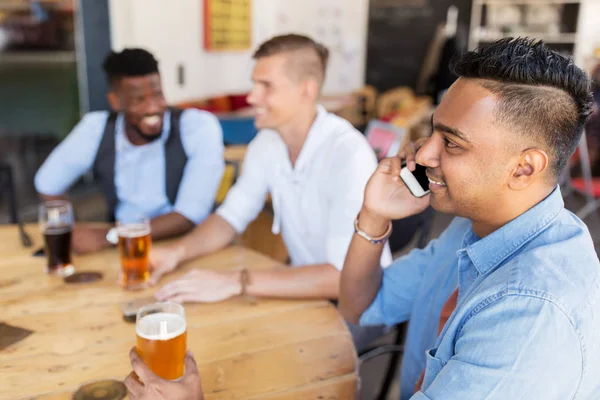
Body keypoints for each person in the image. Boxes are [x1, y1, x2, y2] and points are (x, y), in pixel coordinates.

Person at [339, 37, 600, 399]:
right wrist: (374, 216)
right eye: (433, 131)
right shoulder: (472, 227)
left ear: (524, 168)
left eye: (452, 143)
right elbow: (361, 305)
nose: (424, 153)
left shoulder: (531, 312)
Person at [149, 34, 392, 349]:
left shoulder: (348, 153)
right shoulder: (267, 143)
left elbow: (342, 278)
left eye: (266, 86)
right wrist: (176, 253)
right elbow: (230, 217)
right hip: (307, 288)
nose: (252, 97)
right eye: (254, 84)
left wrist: (235, 281)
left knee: (256, 350)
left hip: (360, 305)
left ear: (307, 90)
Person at [34, 48, 224, 254]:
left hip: (191, 246)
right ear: (115, 101)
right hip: (123, 249)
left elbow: (189, 215)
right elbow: (48, 184)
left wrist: (108, 236)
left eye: (158, 95)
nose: (152, 108)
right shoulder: (96, 129)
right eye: (138, 100)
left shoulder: (197, 127)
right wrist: (75, 231)